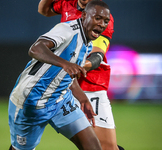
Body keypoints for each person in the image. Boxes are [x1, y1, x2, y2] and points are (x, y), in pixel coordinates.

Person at [8, 1, 110, 150]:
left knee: (93, 147)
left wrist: (82, 98)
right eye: (98, 18)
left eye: (105, 21)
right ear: (84, 15)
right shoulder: (67, 29)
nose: (101, 24)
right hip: (31, 102)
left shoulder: (87, 43)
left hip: (60, 100)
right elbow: (35, 48)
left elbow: (66, 75)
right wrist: (65, 63)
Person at [38, 0, 124, 150]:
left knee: (105, 147)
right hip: (60, 85)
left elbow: (96, 56)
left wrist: (74, 65)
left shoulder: (103, 17)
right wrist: (65, 66)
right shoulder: (67, 4)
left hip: (89, 85)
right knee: (24, 136)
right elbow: (43, 10)